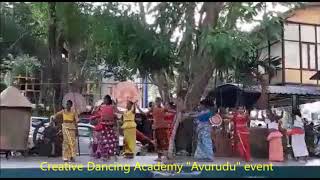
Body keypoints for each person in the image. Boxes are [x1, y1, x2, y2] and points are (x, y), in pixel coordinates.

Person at [137, 97, 174, 162]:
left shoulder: (163, 109)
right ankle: (159, 157)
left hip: (163, 128)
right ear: (156, 102)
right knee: (157, 142)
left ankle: (165, 156)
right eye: (157, 101)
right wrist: (138, 108)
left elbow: (171, 111)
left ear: (160, 102)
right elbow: (145, 114)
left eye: (159, 101)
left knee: (164, 142)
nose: (158, 102)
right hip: (156, 128)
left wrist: (177, 111)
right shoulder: (153, 109)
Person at [89, 95, 118, 161]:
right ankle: (104, 155)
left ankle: (109, 155)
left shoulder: (112, 107)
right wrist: (93, 117)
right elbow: (99, 115)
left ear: (108, 100)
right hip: (103, 127)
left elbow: (116, 115)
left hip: (109, 127)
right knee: (103, 142)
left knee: (110, 141)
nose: (104, 101)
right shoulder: (102, 108)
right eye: (104, 99)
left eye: (105, 99)